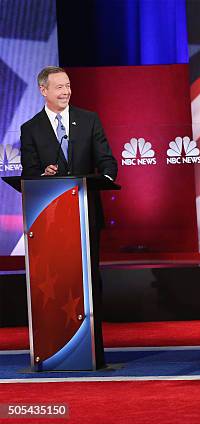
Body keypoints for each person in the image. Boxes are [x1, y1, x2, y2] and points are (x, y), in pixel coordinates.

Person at [20, 66, 118, 369]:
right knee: (58, 283)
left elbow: (107, 161)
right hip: (51, 224)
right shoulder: (30, 129)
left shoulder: (88, 120)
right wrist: (43, 174)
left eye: (68, 85)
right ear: (43, 90)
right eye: (59, 87)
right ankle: (55, 349)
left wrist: (104, 177)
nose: (66, 92)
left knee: (89, 282)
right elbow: (29, 172)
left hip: (86, 214)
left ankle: (93, 352)